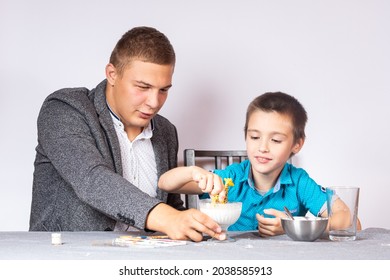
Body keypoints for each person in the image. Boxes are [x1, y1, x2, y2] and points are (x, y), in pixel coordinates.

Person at [29, 26, 225, 242]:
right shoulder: (64, 109)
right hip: (63, 259)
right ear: (112, 74)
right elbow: (92, 179)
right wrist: (168, 218)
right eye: (143, 87)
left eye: (164, 90)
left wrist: (198, 223)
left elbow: (170, 206)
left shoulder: (166, 132)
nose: (154, 102)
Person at [158, 92, 361, 236]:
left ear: (297, 144)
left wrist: (293, 226)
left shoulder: (300, 182)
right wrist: (194, 172)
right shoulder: (231, 178)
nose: (263, 147)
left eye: (276, 140)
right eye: (255, 137)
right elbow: (165, 183)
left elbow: (350, 220)